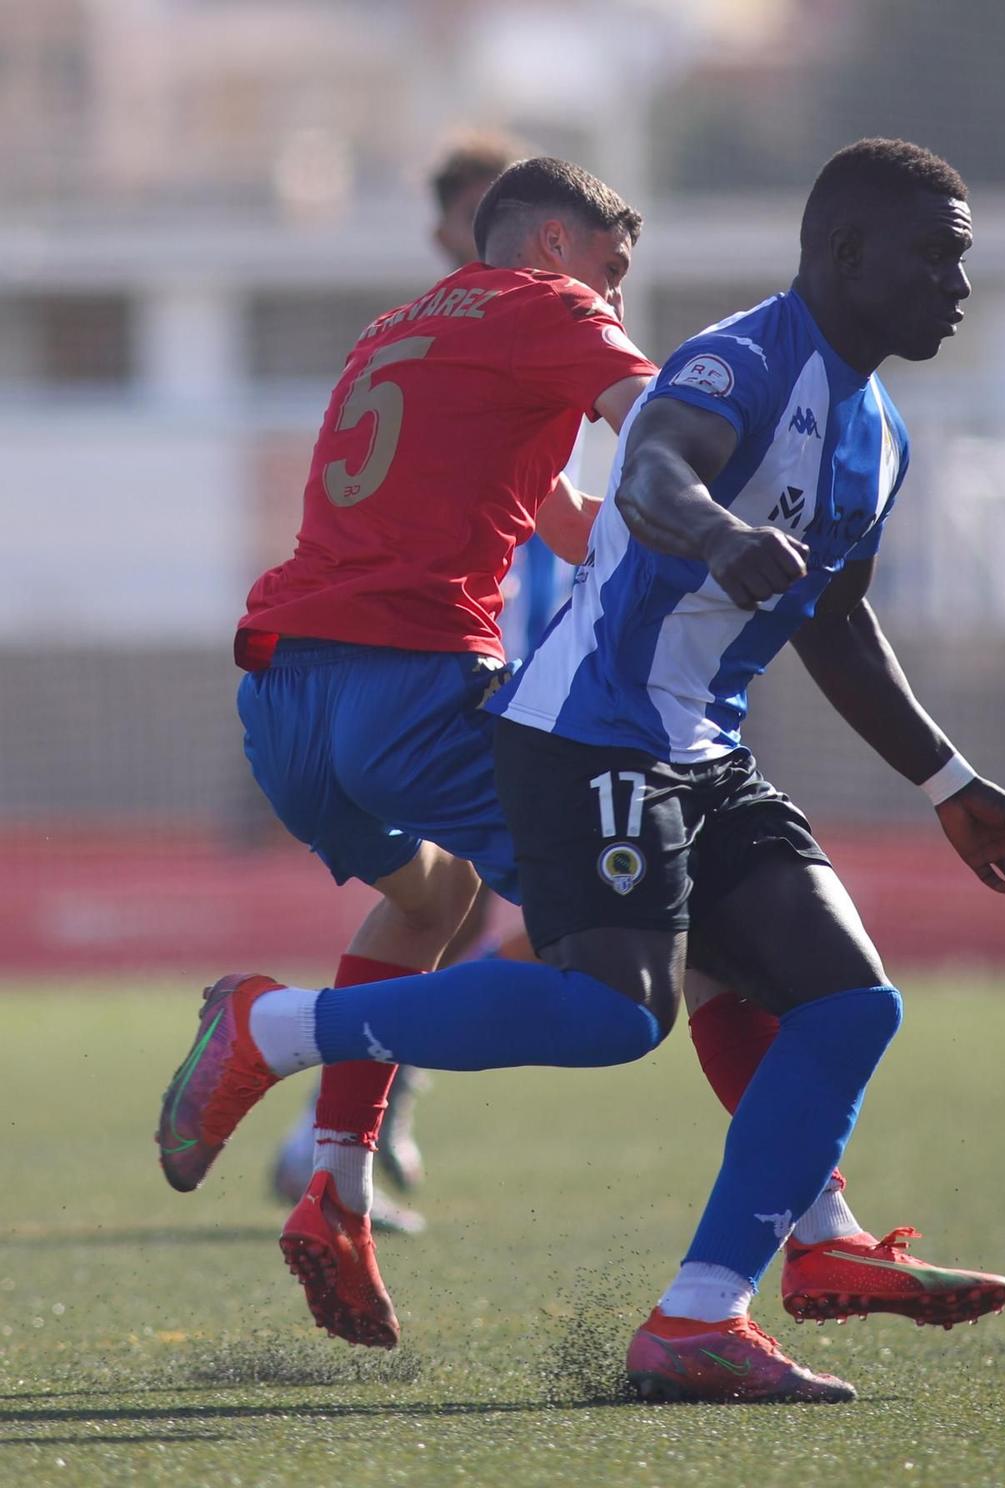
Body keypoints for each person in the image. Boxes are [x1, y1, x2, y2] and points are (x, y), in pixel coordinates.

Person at [157, 140, 1005, 1403]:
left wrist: (949, 779)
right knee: (619, 1001)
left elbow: (831, 617)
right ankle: (276, 1030)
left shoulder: (878, 434)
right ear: (847, 254)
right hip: (577, 719)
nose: (959, 284)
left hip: (327, 685)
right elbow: (651, 460)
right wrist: (713, 527)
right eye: (939, 255)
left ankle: (712, 1300)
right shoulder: (722, 353)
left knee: (844, 1002)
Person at [267, 133, 529, 1235]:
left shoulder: (423, 342)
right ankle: (310, 1072)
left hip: (502, 661)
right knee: (595, 915)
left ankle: (337, 1133)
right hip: (440, 667)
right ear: (442, 233)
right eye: (480, 217)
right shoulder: (486, 345)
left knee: (456, 901)